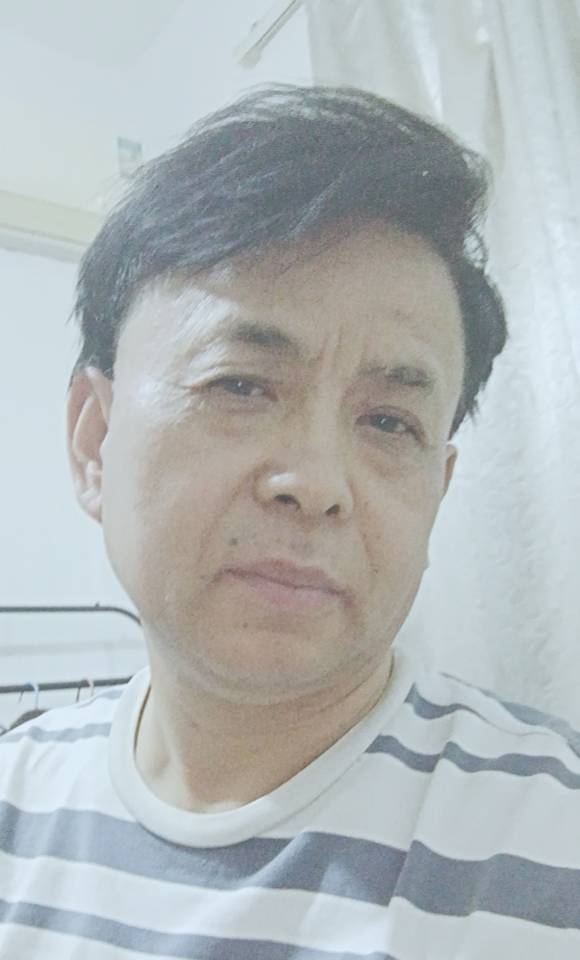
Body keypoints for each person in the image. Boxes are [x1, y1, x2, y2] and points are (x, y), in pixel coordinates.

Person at [1, 83, 578, 959]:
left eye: (390, 422)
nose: (315, 484)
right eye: (240, 385)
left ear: (439, 486)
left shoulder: (550, 848)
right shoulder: (16, 804)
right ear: (95, 442)